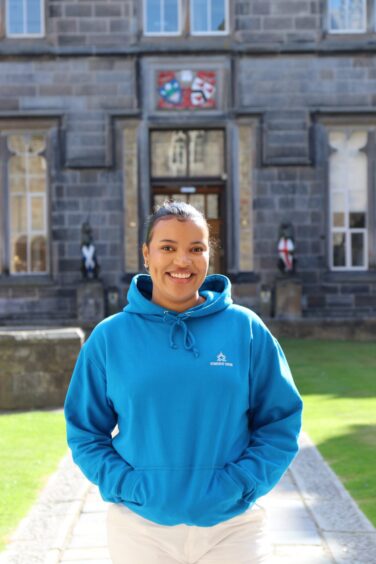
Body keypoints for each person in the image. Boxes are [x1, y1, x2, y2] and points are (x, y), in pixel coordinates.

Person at [64, 200, 303, 564]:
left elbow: (280, 421)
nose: (182, 261)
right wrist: (126, 485)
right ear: (147, 254)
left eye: (196, 249)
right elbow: (84, 432)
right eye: (168, 248)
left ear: (209, 256)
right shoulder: (109, 338)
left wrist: (240, 484)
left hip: (233, 527)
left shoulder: (247, 329)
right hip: (139, 529)